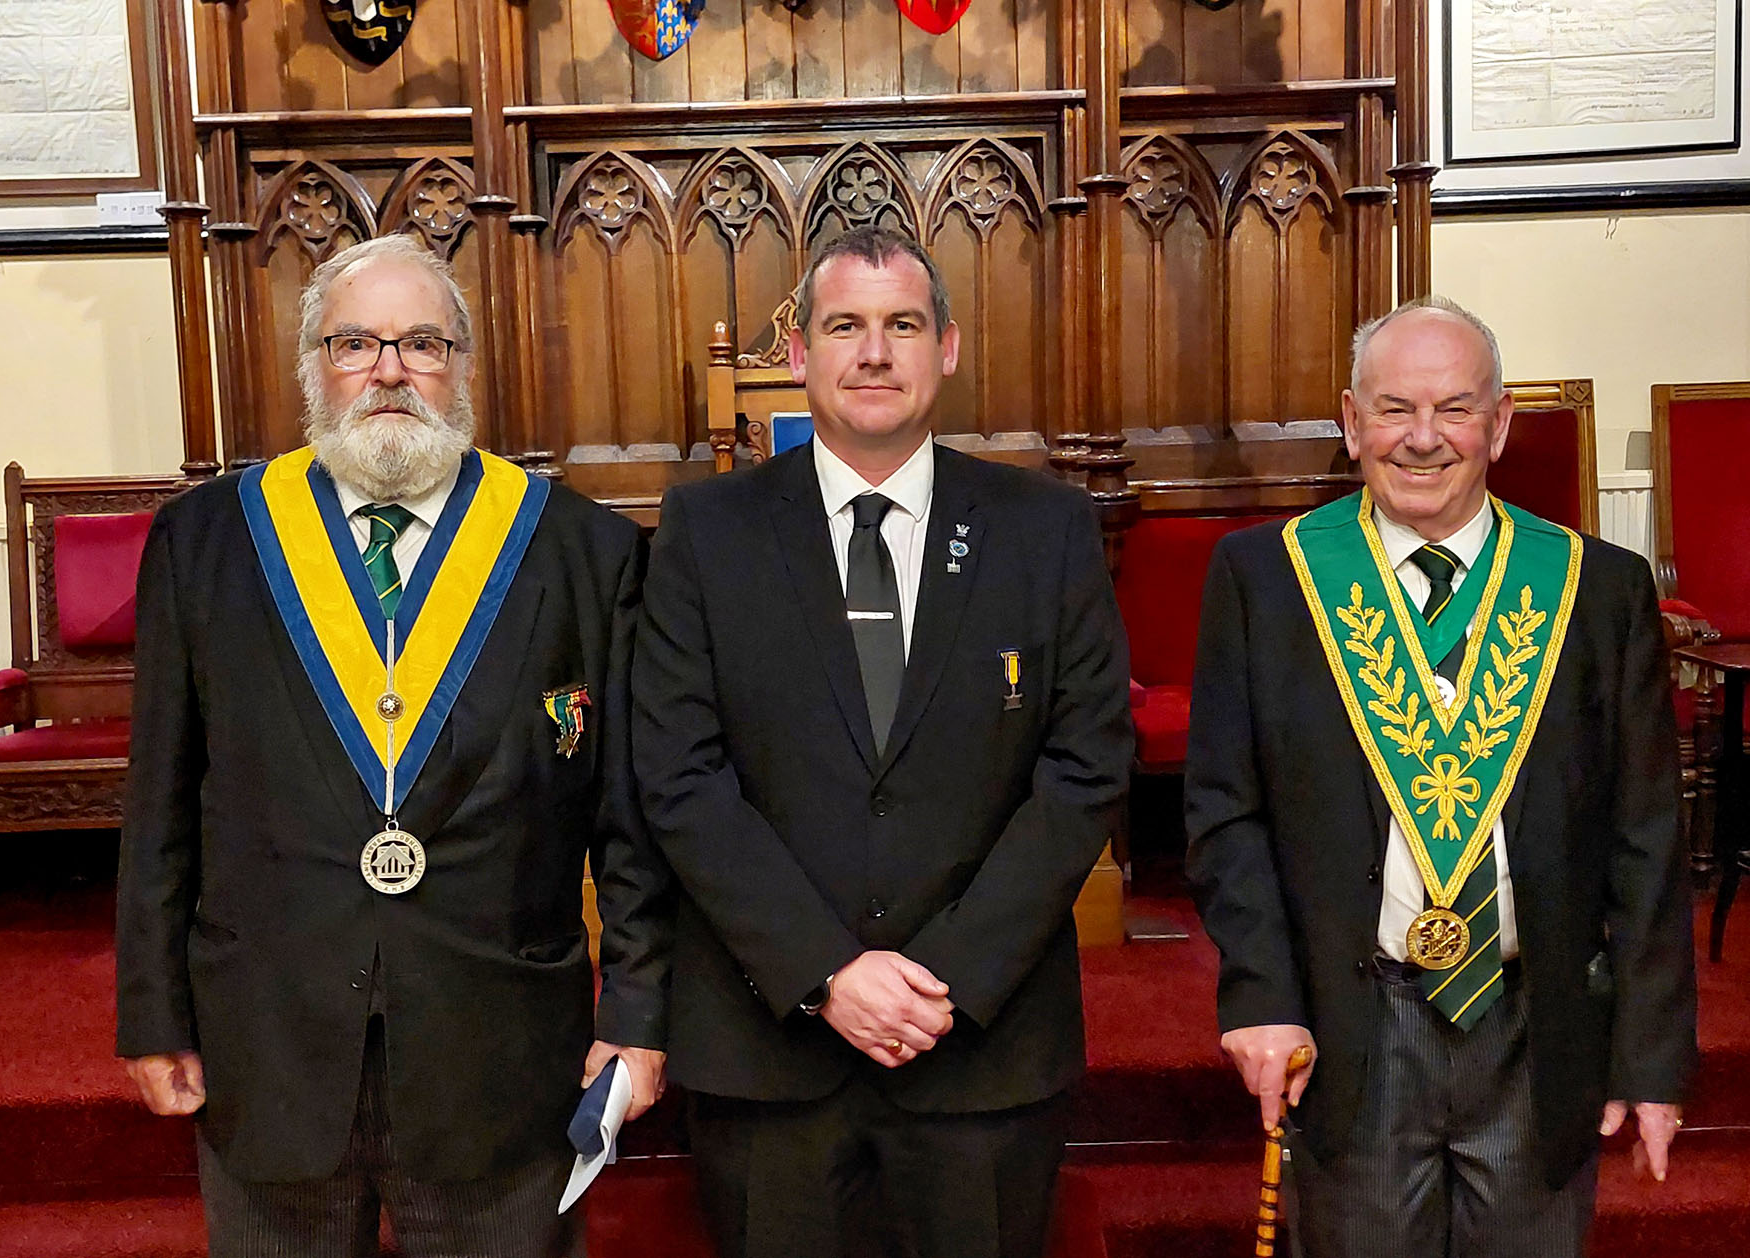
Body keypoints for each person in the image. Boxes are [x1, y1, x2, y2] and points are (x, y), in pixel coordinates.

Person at [115, 233, 671, 1258]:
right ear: (310, 367)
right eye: (355, 341)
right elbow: (160, 802)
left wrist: (636, 1008)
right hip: (270, 1036)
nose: (388, 370)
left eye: (422, 342)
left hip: (499, 1046)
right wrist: (152, 1010)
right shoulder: (207, 543)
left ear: (462, 366)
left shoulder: (578, 548)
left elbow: (626, 811)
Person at [631, 224, 1132, 1258]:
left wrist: (944, 975)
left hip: (978, 1049)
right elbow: (680, 776)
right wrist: (825, 971)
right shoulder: (705, 533)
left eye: (902, 324)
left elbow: (1085, 768)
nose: (873, 352)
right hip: (771, 1047)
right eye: (844, 326)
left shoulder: (1044, 530)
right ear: (800, 352)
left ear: (945, 347)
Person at [1186, 295, 1699, 1257]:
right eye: (1394, 410)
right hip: (1353, 1031)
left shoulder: (1597, 588)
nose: (1423, 439)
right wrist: (1260, 993)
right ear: (1350, 421)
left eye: (1455, 409)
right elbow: (1226, 814)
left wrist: (1653, 1056)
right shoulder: (1267, 580)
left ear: (1500, 424)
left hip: (1536, 1030)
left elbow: (1646, 839)